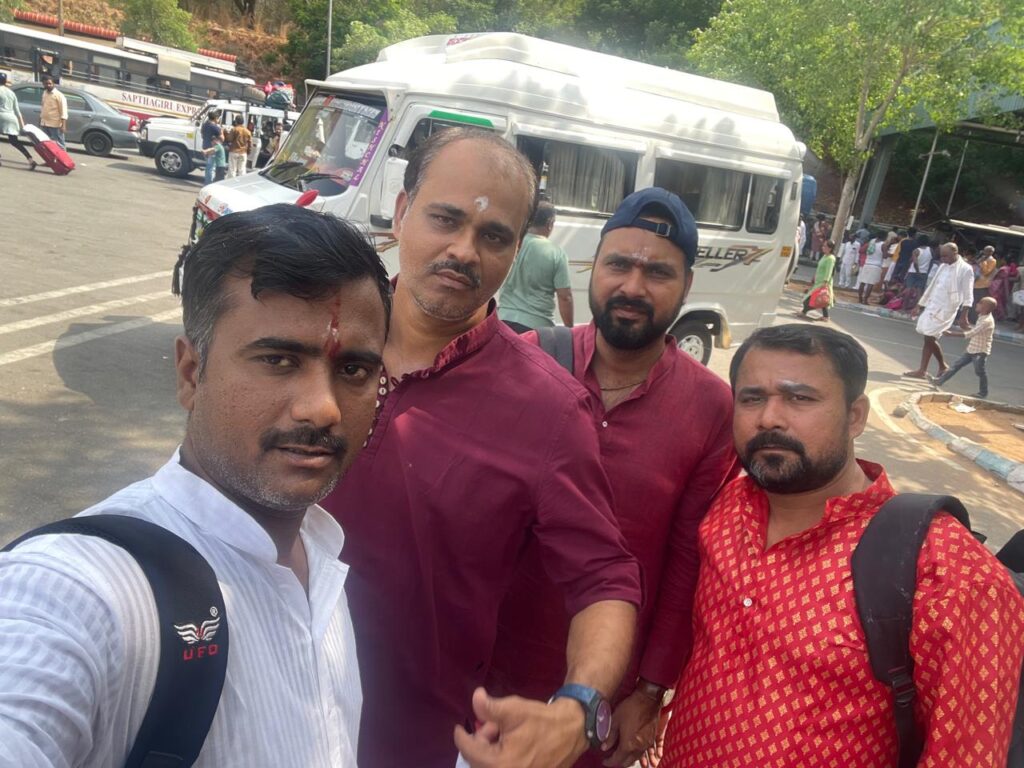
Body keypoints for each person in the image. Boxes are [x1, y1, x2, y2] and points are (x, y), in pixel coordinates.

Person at [0, 204, 394, 766]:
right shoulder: (82, 590)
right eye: (279, 359)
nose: (324, 408)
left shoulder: (321, 550)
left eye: (353, 371)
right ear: (191, 373)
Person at [320, 127, 642, 768]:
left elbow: (605, 579)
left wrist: (579, 707)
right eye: (444, 219)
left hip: (414, 743)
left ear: (518, 250)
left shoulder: (549, 410)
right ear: (403, 210)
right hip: (255, 703)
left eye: (493, 237)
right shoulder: (316, 341)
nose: (463, 251)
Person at [660, 323, 1024, 767]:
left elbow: (965, 756)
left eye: (800, 398)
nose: (769, 418)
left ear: (855, 416)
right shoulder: (724, 510)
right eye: (752, 398)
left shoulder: (947, 571)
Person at [487, 188, 739, 768]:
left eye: (657, 271)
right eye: (618, 264)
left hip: (601, 694)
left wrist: (649, 692)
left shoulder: (710, 407)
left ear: (686, 287)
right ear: (592, 269)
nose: (632, 286)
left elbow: (685, 561)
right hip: (483, 667)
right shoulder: (530, 362)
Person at [498, 200, 574, 332]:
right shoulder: (556, 253)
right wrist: (569, 328)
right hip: (537, 328)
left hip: (503, 320)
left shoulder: (512, 245)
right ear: (550, 223)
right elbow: (565, 297)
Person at [903, 242, 976, 379]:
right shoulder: (943, 266)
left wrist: (964, 315)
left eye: (946, 256)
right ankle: (924, 370)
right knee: (928, 336)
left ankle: (941, 366)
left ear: (955, 253)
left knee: (930, 335)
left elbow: (968, 294)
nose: (943, 259)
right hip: (933, 305)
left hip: (947, 308)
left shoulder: (966, 269)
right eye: (941, 256)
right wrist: (919, 305)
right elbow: (932, 286)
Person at [933, 296, 997, 398]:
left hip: (980, 351)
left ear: (986, 307)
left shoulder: (987, 321)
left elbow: (972, 333)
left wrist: (951, 334)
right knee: (956, 365)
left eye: (980, 303)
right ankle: (940, 381)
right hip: (972, 349)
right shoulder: (982, 316)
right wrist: (966, 327)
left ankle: (983, 392)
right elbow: (977, 330)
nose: (977, 304)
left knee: (980, 371)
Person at [0, 73, 36, 169]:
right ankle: (30, 159)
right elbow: (18, 111)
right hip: (12, 118)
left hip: (1, 116)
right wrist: (22, 125)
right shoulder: (11, 93)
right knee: (14, 141)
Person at [799, 239, 834, 321]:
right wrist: (814, 276)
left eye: (825, 246)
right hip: (818, 281)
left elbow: (829, 271)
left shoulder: (830, 258)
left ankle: (804, 311)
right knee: (822, 299)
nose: (823, 247)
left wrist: (825, 282)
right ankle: (826, 316)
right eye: (823, 246)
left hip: (823, 282)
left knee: (813, 298)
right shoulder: (825, 256)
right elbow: (819, 268)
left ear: (830, 248)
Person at [39, 75, 67, 149]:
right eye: (46, 84)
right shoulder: (44, 93)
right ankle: (50, 160)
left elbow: (63, 110)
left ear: (53, 84)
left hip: (55, 125)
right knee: (46, 144)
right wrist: (40, 120)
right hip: (45, 123)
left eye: (49, 83)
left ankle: (63, 160)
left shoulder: (59, 95)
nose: (48, 85)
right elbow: (43, 107)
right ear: (43, 84)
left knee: (60, 145)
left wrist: (63, 125)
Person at [855, 232, 884, 305]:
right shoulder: (883, 244)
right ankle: (865, 300)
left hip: (867, 263)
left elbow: (862, 250)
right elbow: (885, 255)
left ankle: (860, 298)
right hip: (875, 265)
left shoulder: (871, 242)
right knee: (870, 284)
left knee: (862, 282)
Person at [201, 109, 223, 185]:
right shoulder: (215, 127)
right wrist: (221, 130)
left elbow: (202, 135)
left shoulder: (204, 125)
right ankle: (208, 184)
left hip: (205, 147)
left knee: (208, 167)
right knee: (211, 168)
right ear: (215, 118)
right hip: (212, 149)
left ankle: (206, 183)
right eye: (217, 118)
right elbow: (222, 138)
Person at [226, 114, 252, 178]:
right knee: (242, 170)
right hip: (243, 152)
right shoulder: (248, 132)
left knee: (232, 170)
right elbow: (250, 143)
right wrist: (248, 151)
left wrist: (226, 133)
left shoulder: (234, 129)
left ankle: (231, 184)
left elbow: (229, 139)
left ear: (236, 121)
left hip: (234, 151)